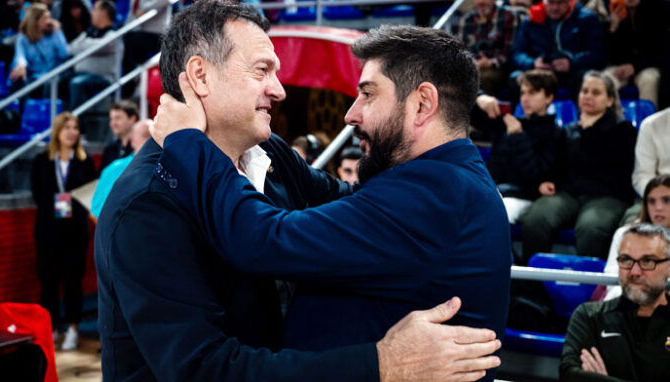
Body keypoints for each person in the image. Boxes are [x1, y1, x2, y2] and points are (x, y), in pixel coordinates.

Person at [96, 1, 502, 381]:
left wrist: (189, 143)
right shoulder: (147, 203)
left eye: (367, 93)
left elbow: (264, 234)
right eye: (262, 70)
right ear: (200, 76)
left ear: (422, 104)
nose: (279, 90)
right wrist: (380, 363)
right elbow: (202, 370)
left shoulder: (429, 191)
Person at [521, 71, 636, 261]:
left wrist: (590, 130)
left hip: (607, 196)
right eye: (585, 91)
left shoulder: (624, 131)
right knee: (537, 218)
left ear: (609, 100)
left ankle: (592, 289)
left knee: (591, 228)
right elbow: (556, 167)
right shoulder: (568, 130)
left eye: (596, 92)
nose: (588, 96)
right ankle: (534, 287)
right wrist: (547, 181)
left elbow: (618, 173)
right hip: (569, 195)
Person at [560, 223, 670, 381]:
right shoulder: (589, 316)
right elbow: (569, 375)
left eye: (647, 261)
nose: (634, 272)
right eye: (626, 260)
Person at [31, 112, 96, 350]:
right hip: (48, 230)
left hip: (75, 232)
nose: (71, 132)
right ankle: (49, 328)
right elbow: (37, 193)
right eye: (67, 127)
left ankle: (73, 328)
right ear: (57, 131)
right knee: (48, 281)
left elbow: (89, 195)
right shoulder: (41, 160)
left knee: (72, 281)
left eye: (75, 127)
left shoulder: (85, 161)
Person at [472, 70, 560, 225]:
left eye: (532, 93)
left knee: (490, 216)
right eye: (523, 93)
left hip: (525, 197)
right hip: (494, 191)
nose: (525, 98)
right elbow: (468, 112)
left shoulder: (555, 132)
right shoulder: (508, 122)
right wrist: (480, 97)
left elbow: (538, 176)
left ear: (549, 97)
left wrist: (518, 137)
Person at [511, 0, 605, 97]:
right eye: (551, 3)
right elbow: (517, 53)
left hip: (572, 73)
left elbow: (597, 54)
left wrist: (571, 63)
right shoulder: (531, 20)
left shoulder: (587, 19)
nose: (555, 8)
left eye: (560, 3)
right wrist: (533, 63)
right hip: (540, 71)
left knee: (586, 79)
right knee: (515, 78)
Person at [604, 174, 670, 300]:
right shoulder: (624, 234)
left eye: (667, 200)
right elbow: (612, 281)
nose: (658, 208)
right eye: (651, 201)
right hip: (627, 301)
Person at [603, 0, 663, 107]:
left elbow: (659, 51)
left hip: (647, 65)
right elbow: (611, 56)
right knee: (605, 79)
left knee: (648, 79)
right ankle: (613, 121)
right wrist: (613, 27)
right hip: (622, 67)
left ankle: (648, 121)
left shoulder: (656, 11)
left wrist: (634, 66)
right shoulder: (615, 14)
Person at [67, 0, 123, 110]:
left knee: (77, 83)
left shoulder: (114, 34)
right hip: (81, 74)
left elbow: (100, 46)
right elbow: (71, 48)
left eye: (94, 9)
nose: (91, 13)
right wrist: (91, 44)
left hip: (104, 78)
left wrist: (84, 45)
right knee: (57, 81)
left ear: (104, 13)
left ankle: (77, 123)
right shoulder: (90, 32)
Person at [90, 119, 150, 219]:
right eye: (146, 136)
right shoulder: (114, 169)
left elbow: (95, 212)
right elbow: (96, 211)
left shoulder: (113, 169)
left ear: (132, 141)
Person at [458, 0, 521, 95]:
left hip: (499, 67)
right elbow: (461, 49)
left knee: (481, 78)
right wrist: (472, 62)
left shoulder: (509, 15)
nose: (481, 2)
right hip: (473, 65)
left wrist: (491, 62)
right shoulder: (467, 19)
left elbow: (511, 50)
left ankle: (482, 107)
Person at [622, 106, 670, 224]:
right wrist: (660, 198)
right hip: (658, 196)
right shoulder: (651, 125)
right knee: (631, 228)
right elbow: (642, 175)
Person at [9, 3, 68, 95]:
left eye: (50, 17)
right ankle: (16, 108)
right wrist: (22, 66)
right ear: (35, 20)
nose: (49, 21)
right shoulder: (24, 38)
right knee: (18, 77)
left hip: (52, 76)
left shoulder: (54, 34)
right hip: (33, 76)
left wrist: (58, 31)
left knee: (48, 83)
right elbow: (20, 55)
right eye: (45, 18)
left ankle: (43, 108)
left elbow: (64, 54)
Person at [99, 100, 137, 171]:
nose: (113, 123)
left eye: (118, 118)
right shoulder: (109, 149)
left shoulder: (140, 147)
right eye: (111, 119)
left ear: (132, 119)